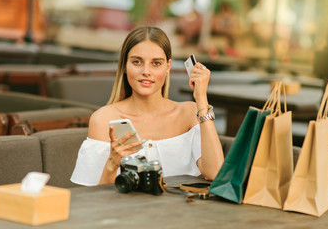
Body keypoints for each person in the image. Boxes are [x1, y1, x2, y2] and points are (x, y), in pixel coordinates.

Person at [71, 26, 224, 186]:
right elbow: (92, 198)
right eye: (137, 62)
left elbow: (215, 172)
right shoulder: (104, 119)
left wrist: (201, 98)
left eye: (156, 63)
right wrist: (112, 164)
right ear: (124, 65)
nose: (146, 71)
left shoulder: (190, 113)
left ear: (168, 66)